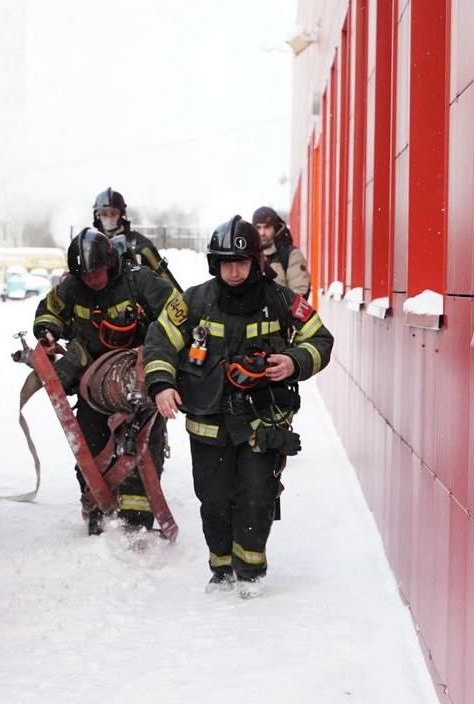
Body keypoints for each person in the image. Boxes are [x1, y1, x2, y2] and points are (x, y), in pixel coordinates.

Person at [143, 216, 334, 598]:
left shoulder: (280, 300)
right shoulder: (193, 301)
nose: (234, 271)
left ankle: (249, 572)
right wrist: (161, 384)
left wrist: (294, 361)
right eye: (226, 262)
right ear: (215, 263)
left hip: (262, 421)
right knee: (213, 500)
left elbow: (320, 339)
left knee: (255, 496)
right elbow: (160, 340)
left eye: (241, 263)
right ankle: (220, 568)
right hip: (208, 422)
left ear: (255, 264)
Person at [33, 227, 183, 535]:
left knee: (142, 451)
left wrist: (160, 357)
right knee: (89, 447)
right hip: (93, 385)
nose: (92, 280)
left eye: (97, 273)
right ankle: (98, 509)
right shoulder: (72, 288)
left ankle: (136, 525)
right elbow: (49, 311)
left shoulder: (139, 280)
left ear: (111, 264)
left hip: (140, 378)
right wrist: (47, 332)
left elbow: (178, 313)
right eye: (85, 275)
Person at [92, 187, 182, 292]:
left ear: (121, 214)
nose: (109, 218)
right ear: (97, 216)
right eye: (104, 214)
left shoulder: (141, 244)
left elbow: (167, 282)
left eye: (113, 213)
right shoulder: (90, 245)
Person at [251, 206, 311, 295]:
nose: (262, 233)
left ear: (275, 228)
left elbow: (299, 293)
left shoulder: (291, 255)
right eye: (258, 228)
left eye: (267, 227)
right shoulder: (248, 254)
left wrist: (277, 306)